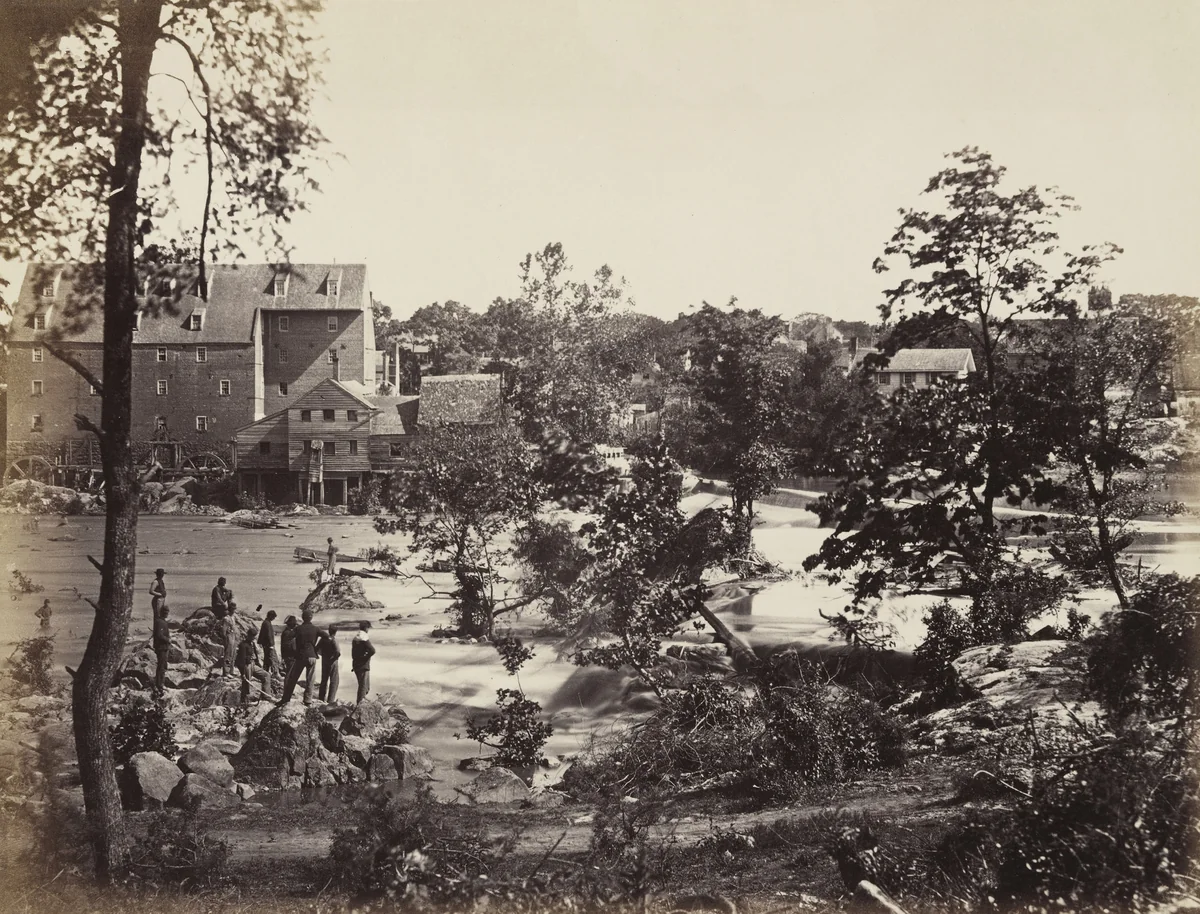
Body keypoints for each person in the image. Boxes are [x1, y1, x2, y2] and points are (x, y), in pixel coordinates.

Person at [281, 610, 322, 705]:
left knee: (293, 678)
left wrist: (296, 648)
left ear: (303, 618)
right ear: (311, 618)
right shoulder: (316, 628)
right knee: (310, 679)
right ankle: (308, 700)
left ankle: (286, 699)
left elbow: (289, 638)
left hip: (300, 656)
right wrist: (315, 649)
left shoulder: (298, 629)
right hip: (312, 656)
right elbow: (327, 636)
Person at [236, 628, 272, 703]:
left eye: (254, 636)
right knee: (246, 684)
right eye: (252, 636)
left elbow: (255, 655)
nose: (254, 638)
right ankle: (244, 701)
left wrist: (258, 664)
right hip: (247, 666)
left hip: (253, 665)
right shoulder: (243, 645)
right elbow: (240, 661)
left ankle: (266, 696)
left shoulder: (252, 644)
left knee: (266, 675)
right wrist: (242, 673)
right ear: (248, 635)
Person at [351, 621, 376, 705]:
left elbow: (353, 652)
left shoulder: (356, 637)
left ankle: (362, 702)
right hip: (363, 665)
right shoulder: (364, 637)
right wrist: (366, 657)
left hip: (356, 664)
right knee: (363, 687)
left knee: (364, 686)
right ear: (366, 628)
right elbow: (372, 650)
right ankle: (359, 705)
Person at [318, 624, 340, 703]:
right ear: (336, 632)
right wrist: (334, 658)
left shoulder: (323, 639)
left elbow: (317, 648)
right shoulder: (334, 640)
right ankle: (330, 700)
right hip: (332, 661)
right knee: (334, 681)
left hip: (324, 660)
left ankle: (321, 698)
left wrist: (322, 655)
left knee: (324, 680)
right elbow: (337, 652)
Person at [152, 604, 171, 695]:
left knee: (162, 666)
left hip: (163, 647)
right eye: (165, 612)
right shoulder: (160, 622)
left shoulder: (160, 621)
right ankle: (160, 686)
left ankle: (160, 684)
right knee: (161, 667)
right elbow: (159, 635)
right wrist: (168, 640)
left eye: (167, 612)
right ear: (162, 612)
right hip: (162, 648)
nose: (167, 614)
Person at [220, 604, 239, 676]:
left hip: (233, 636)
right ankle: (226, 672)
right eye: (233, 609)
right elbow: (223, 631)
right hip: (229, 637)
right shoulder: (226, 618)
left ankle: (231, 671)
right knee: (228, 654)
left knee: (233, 654)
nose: (234, 610)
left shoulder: (233, 617)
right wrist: (226, 639)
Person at [258, 610, 278, 674]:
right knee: (269, 657)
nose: (274, 618)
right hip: (268, 644)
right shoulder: (267, 623)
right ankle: (267, 671)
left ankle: (266, 670)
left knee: (267, 657)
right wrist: (271, 644)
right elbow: (269, 635)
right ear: (270, 616)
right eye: (273, 617)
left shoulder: (266, 622)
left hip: (265, 644)